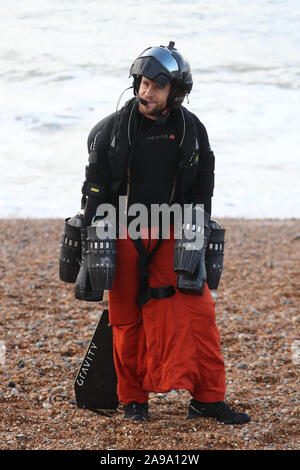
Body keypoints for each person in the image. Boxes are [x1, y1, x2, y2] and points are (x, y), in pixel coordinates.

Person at [63, 42, 251, 425]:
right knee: (127, 322)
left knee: (200, 316)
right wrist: (91, 257)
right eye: (143, 83)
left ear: (175, 93)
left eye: (156, 86)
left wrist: (196, 243)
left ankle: (207, 400)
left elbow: (201, 193)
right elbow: (94, 196)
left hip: (173, 235)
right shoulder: (109, 132)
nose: (146, 92)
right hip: (122, 234)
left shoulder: (192, 131)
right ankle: (134, 401)